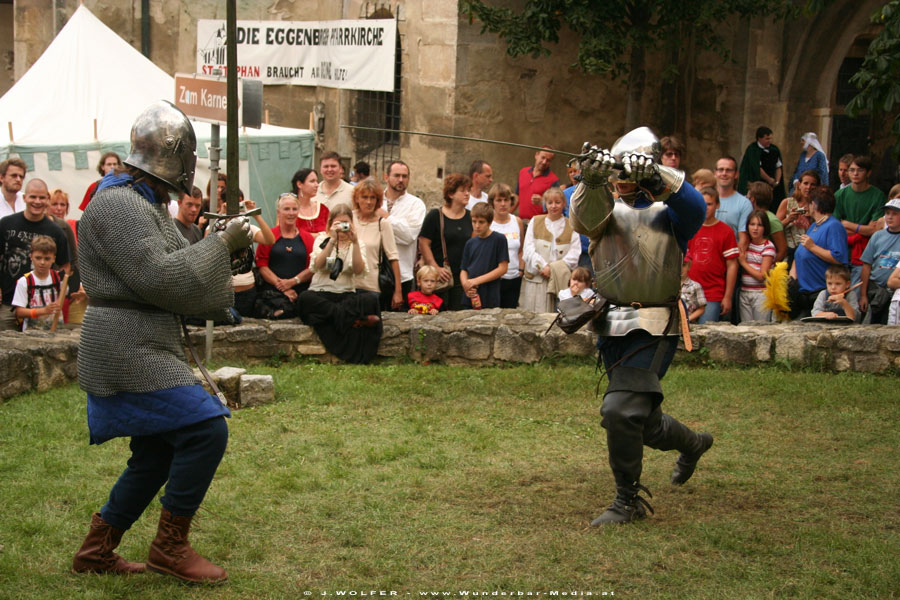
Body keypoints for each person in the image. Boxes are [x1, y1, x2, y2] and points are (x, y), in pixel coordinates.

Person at [72, 100, 254, 582]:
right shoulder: (117, 203)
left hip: (145, 339)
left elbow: (184, 277)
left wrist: (225, 259)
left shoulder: (146, 203)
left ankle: (96, 551)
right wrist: (220, 245)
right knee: (205, 428)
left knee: (157, 452)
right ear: (176, 155)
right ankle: (170, 547)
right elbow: (162, 279)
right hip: (126, 346)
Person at [569, 127, 711, 525]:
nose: (625, 178)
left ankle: (627, 500)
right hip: (610, 324)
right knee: (639, 419)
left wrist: (657, 176)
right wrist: (591, 179)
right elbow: (583, 219)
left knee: (620, 410)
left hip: (655, 324)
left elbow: (695, 207)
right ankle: (694, 443)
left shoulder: (671, 215)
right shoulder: (605, 210)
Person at [297, 204, 382, 364]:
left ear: (351, 223)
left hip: (346, 295)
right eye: (339, 223)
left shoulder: (358, 243)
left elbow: (358, 270)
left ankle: (341, 317)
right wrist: (332, 241)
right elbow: (319, 265)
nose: (342, 227)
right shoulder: (322, 239)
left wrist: (355, 242)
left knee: (370, 299)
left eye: (346, 223)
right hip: (321, 293)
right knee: (305, 299)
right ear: (331, 224)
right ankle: (353, 319)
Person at [0, 178, 70, 331]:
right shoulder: (6, 224)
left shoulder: (56, 232)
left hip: (42, 308)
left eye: (42, 197)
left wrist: (59, 297)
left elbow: (65, 267)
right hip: (8, 302)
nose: (37, 201)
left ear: (47, 199)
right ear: (24, 197)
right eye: (33, 197)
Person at [208, 197, 275, 320]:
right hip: (223, 293)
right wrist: (221, 216)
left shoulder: (247, 228)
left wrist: (256, 215)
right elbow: (205, 245)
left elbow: (270, 240)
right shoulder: (217, 228)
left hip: (247, 292)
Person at [789, 186, 849, 320]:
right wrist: (792, 278)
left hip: (821, 292)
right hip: (803, 292)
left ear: (814, 204)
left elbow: (838, 257)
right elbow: (800, 254)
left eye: (809, 203)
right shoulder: (814, 226)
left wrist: (813, 247)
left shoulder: (834, 226)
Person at [418, 173, 474, 311]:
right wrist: (435, 267)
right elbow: (423, 242)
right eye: (462, 190)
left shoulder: (471, 216)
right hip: (439, 277)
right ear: (451, 194)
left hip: (462, 276)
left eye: (468, 190)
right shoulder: (436, 215)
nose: (467, 194)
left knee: (459, 316)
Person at [519, 186, 580, 313]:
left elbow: (574, 253)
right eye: (550, 202)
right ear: (545, 204)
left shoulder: (571, 226)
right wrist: (542, 266)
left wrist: (553, 269)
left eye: (557, 202)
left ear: (564, 204)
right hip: (536, 281)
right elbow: (528, 249)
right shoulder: (535, 221)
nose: (554, 206)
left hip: (559, 282)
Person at [255, 193, 315, 319]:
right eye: (286, 209)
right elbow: (262, 265)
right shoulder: (269, 236)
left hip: (300, 290)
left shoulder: (308, 238)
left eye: (294, 209)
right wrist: (283, 287)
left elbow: (312, 267)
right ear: (278, 212)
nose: (291, 213)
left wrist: (293, 282)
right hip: (273, 290)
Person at [688, 187, 739, 323]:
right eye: (702, 204)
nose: (705, 208)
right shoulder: (690, 227)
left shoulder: (726, 231)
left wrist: (727, 297)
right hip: (689, 292)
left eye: (709, 204)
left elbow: (732, 265)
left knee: (707, 334)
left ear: (717, 205)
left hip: (713, 293)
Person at [833, 155, 886, 285]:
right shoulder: (840, 195)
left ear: (868, 173)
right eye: (851, 170)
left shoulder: (877, 196)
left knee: (857, 291)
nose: (855, 173)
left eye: (860, 170)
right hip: (842, 248)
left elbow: (874, 230)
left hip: (865, 251)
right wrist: (863, 228)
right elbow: (835, 227)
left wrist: (846, 223)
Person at [352, 179, 402, 311]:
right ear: (357, 199)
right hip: (347, 285)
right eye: (364, 197)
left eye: (372, 197)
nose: (369, 202)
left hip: (371, 287)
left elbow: (393, 257)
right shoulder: (349, 219)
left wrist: (398, 291)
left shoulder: (382, 224)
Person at [381, 161, 426, 309]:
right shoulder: (374, 200)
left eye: (404, 176)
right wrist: (397, 226)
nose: (401, 180)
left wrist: (384, 217)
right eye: (397, 175)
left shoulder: (416, 204)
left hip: (403, 273)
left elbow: (408, 236)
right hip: (373, 273)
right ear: (386, 177)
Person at [858, 196, 900, 324]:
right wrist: (863, 295)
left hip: (895, 292)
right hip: (875, 290)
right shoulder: (877, 236)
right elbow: (866, 266)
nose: (890, 217)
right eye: (887, 213)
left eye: (895, 214)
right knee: (872, 323)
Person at [460, 202, 509, 309]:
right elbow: (464, 269)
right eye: (474, 221)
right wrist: (466, 285)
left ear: (489, 222)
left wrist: (476, 281)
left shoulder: (499, 239)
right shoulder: (470, 243)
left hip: (489, 295)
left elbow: (503, 268)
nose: (477, 225)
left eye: (481, 222)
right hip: (471, 296)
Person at [47, 188, 86, 323]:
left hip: (69, 287)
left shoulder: (70, 226)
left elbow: (76, 260)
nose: (59, 208)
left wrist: (78, 284)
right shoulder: (41, 226)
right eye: (54, 204)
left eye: (62, 205)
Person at [11, 236, 62, 331]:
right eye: (38, 258)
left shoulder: (59, 278)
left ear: (53, 259)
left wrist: (79, 294)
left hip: (56, 330)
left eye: (47, 259)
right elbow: (19, 312)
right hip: (32, 332)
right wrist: (43, 311)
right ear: (31, 257)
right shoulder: (24, 281)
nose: (42, 262)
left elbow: (73, 292)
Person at [488, 183, 525, 308]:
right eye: (499, 200)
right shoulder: (488, 223)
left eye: (506, 200)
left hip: (514, 278)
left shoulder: (517, 221)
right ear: (492, 202)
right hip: (493, 279)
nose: (503, 204)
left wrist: (521, 269)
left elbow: (520, 250)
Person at [738, 210, 776, 322]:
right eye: (752, 224)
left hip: (761, 293)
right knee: (745, 328)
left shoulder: (768, 247)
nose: (755, 228)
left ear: (765, 227)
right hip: (745, 291)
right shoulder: (746, 244)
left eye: (759, 225)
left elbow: (762, 276)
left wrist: (743, 263)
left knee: (761, 327)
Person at [776, 170, 819, 266]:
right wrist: (789, 219)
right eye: (806, 183)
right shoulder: (787, 202)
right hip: (787, 252)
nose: (809, 187)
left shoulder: (817, 207)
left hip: (808, 253)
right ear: (799, 185)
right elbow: (775, 229)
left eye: (813, 184)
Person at [738, 126, 786, 205]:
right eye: (767, 139)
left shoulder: (774, 149)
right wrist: (769, 179)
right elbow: (757, 168)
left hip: (772, 186)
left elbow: (778, 167)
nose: (769, 141)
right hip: (758, 183)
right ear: (759, 138)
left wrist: (776, 182)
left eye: (770, 138)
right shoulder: (752, 150)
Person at [714, 156, 752, 247]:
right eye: (720, 169)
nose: (724, 173)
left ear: (736, 174)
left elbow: (744, 240)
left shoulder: (744, 204)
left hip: (730, 257)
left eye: (728, 170)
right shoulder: (703, 199)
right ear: (715, 173)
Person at [746, 181, 787, 262]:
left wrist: (768, 267)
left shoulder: (772, 220)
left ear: (752, 199)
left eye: (747, 197)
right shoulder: (750, 216)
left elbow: (782, 251)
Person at [516, 147, 559, 223]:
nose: (544, 162)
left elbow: (557, 206)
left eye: (548, 160)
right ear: (536, 155)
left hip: (540, 224)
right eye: (543, 157)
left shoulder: (553, 180)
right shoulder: (523, 172)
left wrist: (543, 201)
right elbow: (517, 197)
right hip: (521, 222)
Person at [291, 168, 330, 235]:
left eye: (316, 181)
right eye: (312, 181)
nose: (317, 185)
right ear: (299, 184)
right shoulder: (288, 210)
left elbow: (330, 234)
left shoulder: (323, 209)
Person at [680, 255, 706, 323]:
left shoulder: (695, 286)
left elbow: (702, 309)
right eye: (677, 264)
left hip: (689, 324)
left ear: (689, 266)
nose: (680, 268)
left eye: (683, 265)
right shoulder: (667, 284)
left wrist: (687, 319)